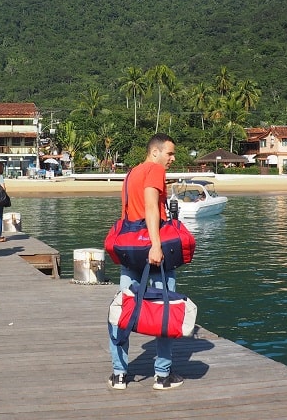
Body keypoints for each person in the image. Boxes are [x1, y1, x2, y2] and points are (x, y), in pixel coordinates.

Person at [107, 133, 184, 391]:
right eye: (169, 153)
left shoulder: (131, 173)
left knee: (124, 308)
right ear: (155, 152)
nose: (172, 159)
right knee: (164, 308)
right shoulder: (154, 169)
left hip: (130, 248)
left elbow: (129, 213)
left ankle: (119, 374)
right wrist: (156, 244)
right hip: (151, 249)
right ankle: (162, 376)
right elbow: (151, 207)